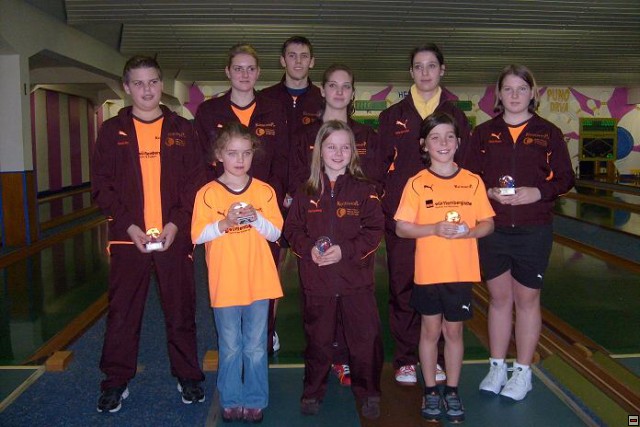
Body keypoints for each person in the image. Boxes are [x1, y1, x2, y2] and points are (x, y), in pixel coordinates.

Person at [91, 55, 205, 413]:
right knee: (123, 312)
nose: (146, 90)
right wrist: (129, 225)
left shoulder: (182, 129)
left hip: (174, 236)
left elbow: (195, 183)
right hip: (129, 238)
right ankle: (116, 380)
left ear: (162, 85)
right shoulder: (112, 131)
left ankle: (187, 375)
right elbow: (102, 186)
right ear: (126, 87)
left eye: (153, 81)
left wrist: (176, 223)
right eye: (138, 83)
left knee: (181, 310)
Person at [462, 64, 574, 401]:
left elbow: (565, 177)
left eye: (521, 89)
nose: (514, 95)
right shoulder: (484, 133)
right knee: (498, 300)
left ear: (532, 93)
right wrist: (489, 192)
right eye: (508, 89)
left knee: (527, 300)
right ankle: (497, 367)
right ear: (498, 94)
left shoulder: (548, 132)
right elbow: (470, 176)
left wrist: (538, 192)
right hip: (494, 228)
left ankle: (523, 371)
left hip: (533, 229)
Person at [378, 43, 471, 386]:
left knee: (442, 289)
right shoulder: (392, 116)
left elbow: (466, 166)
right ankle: (405, 358)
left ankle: (440, 358)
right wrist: (388, 206)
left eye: (431, 66)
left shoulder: (457, 115)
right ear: (411, 72)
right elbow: (378, 168)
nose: (425, 72)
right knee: (402, 287)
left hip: (446, 220)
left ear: (442, 70)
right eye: (418, 66)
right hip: (405, 220)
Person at [395, 112, 495, 422]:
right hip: (429, 272)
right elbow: (402, 228)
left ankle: (451, 389)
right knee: (429, 331)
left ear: (458, 142)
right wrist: (434, 229)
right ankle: (430, 390)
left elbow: (488, 223)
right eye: (435, 137)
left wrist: (470, 232)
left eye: (449, 136)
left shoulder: (473, 182)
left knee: (454, 332)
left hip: (461, 272)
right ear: (424, 144)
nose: (443, 143)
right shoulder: (417, 183)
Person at [288, 63, 381, 387]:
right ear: (323, 90)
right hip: (315, 235)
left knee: (356, 311)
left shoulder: (366, 136)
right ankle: (323, 367)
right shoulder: (304, 137)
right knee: (320, 316)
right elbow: (297, 186)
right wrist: (308, 240)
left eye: (346, 86)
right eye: (333, 85)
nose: (339, 92)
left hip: (350, 239)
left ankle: (347, 364)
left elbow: (373, 183)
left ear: (353, 93)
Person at [194, 43, 288, 355]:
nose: (244, 74)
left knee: (264, 278)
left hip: (263, 210)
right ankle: (231, 341)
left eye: (250, 68)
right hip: (224, 210)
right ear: (228, 72)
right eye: (238, 68)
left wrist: (274, 203)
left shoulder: (274, 109)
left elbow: (283, 160)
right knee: (227, 278)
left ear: (258, 73)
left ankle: (266, 334)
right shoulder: (209, 111)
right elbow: (201, 162)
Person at [191, 122, 284, 423]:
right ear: (219, 155)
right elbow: (197, 235)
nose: (240, 160)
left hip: (259, 282)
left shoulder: (264, 191)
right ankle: (231, 398)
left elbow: (275, 233)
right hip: (225, 284)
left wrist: (256, 219)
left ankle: (255, 399)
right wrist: (225, 223)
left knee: (256, 347)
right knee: (230, 346)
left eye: (246, 153)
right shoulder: (207, 194)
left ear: (253, 154)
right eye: (232, 153)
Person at [260, 36, 324, 354]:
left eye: (304, 56)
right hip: (270, 202)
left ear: (312, 62)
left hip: (311, 200)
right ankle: (267, 331)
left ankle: (321, 338)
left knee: (315, 271)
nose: (298, 61)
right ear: (282, 60)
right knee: (270, 271)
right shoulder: (264, 100)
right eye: (292, 55)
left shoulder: (322, 99)